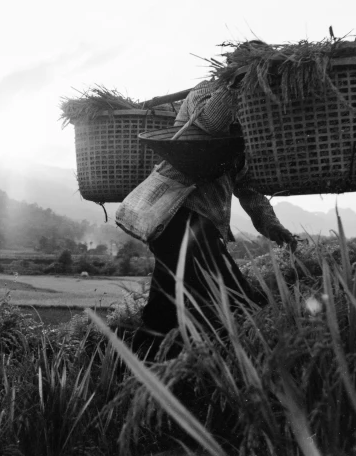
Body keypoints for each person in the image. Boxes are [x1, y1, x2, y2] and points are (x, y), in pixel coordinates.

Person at [115, 75, 297, 360]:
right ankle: (257, 356)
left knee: (166, 306)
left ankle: (140, 368)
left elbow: (248, 186)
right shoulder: (207, 91)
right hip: (176, 214)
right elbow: (208, 124)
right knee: (237, 297)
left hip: (204, 224)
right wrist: (235, 84)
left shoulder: (248, 123)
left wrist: (271, 225)